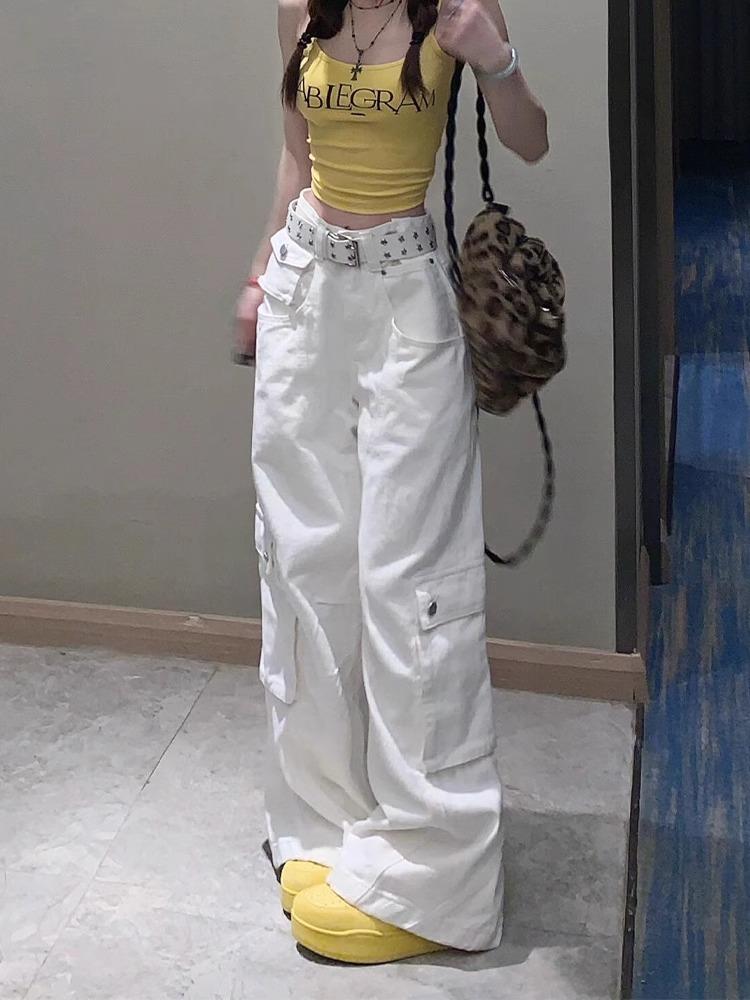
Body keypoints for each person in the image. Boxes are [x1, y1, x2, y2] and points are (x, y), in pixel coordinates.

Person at [233, 0, 548, 965]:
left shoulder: (454, 8)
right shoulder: (299, 7)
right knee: (304, 565)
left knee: (413, 586)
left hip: (406, 301)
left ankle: (434, 875)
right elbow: (297, 157)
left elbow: (531, 140)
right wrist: (260, 274)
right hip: (306, 291)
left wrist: (495, 59)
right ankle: (322, 821)